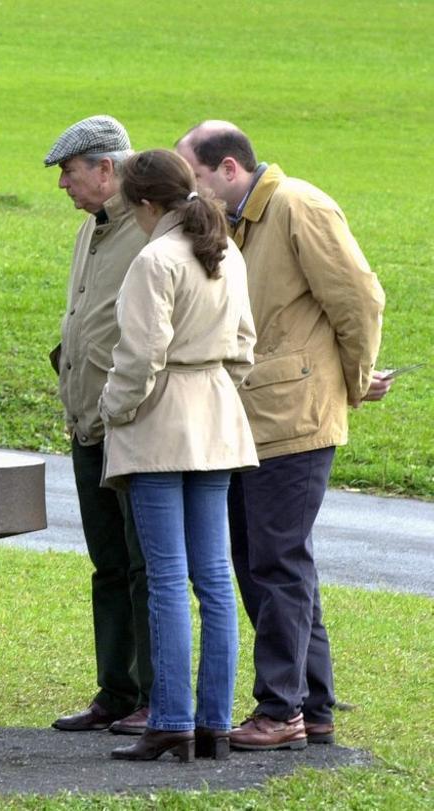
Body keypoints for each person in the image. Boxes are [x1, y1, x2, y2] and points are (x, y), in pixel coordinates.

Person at [176, 121, 387, 750]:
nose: (192, 194)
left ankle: (281, 711)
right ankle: (311, 708)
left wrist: (351, 381)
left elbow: (360, 299)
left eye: (197, 179)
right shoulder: (237, 219)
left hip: (293, 421)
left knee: (275, 563)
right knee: (264, 562)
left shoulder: (299, 205)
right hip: (250, 420)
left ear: (230, 169)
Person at [99, 149, 258, 762]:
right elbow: (244, 343)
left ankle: (170, 719)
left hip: (160, 423)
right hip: (217, 415)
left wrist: (112, 408)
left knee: (167, 579)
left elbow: (140, 357)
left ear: (144, 203)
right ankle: (213, 723)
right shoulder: (226, 250)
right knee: (214, 578)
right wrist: (215, 384)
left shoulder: (155, 258)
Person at [43, 116, 154, 736]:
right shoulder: (93, 227)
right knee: (108, 563)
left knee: (145, 566)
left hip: (134, 425)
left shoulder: (149, 225)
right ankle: (116, 690)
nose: (64, 184)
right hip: (88, 423)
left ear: (105, 169)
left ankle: (152, 695)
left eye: (70, 171)